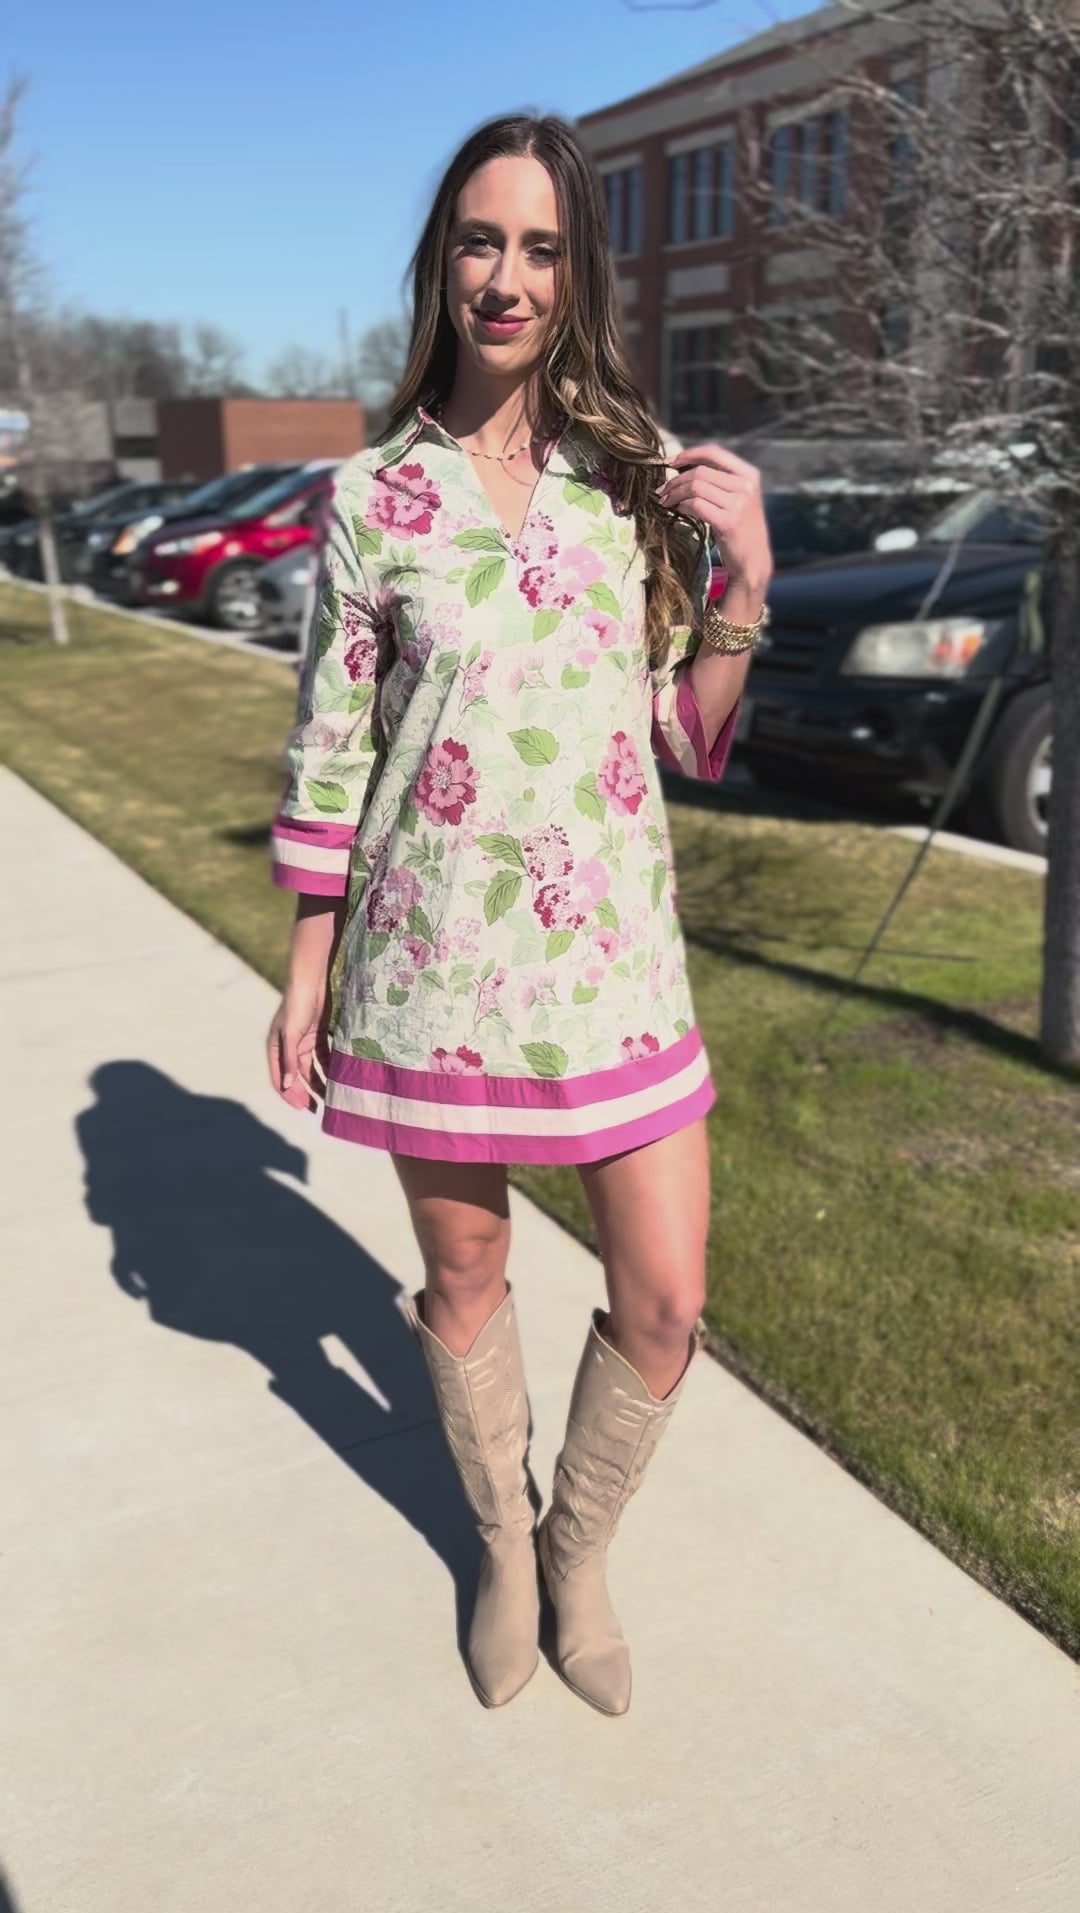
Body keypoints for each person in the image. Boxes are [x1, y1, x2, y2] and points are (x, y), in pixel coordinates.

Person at [266, 113, 772, 1716]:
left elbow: (685, 736)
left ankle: (582, 1549)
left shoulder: (632, 483)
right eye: (481, 241)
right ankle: (501, 1539)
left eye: (542, 247)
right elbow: (334, 743)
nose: (506, 276)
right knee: (470, 1285)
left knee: (668, 1296)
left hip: (613, 962)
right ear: (444, 262)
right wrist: (306, 968)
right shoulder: (373, 496)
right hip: (429, 969)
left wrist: (744, 577)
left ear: (579, 274)